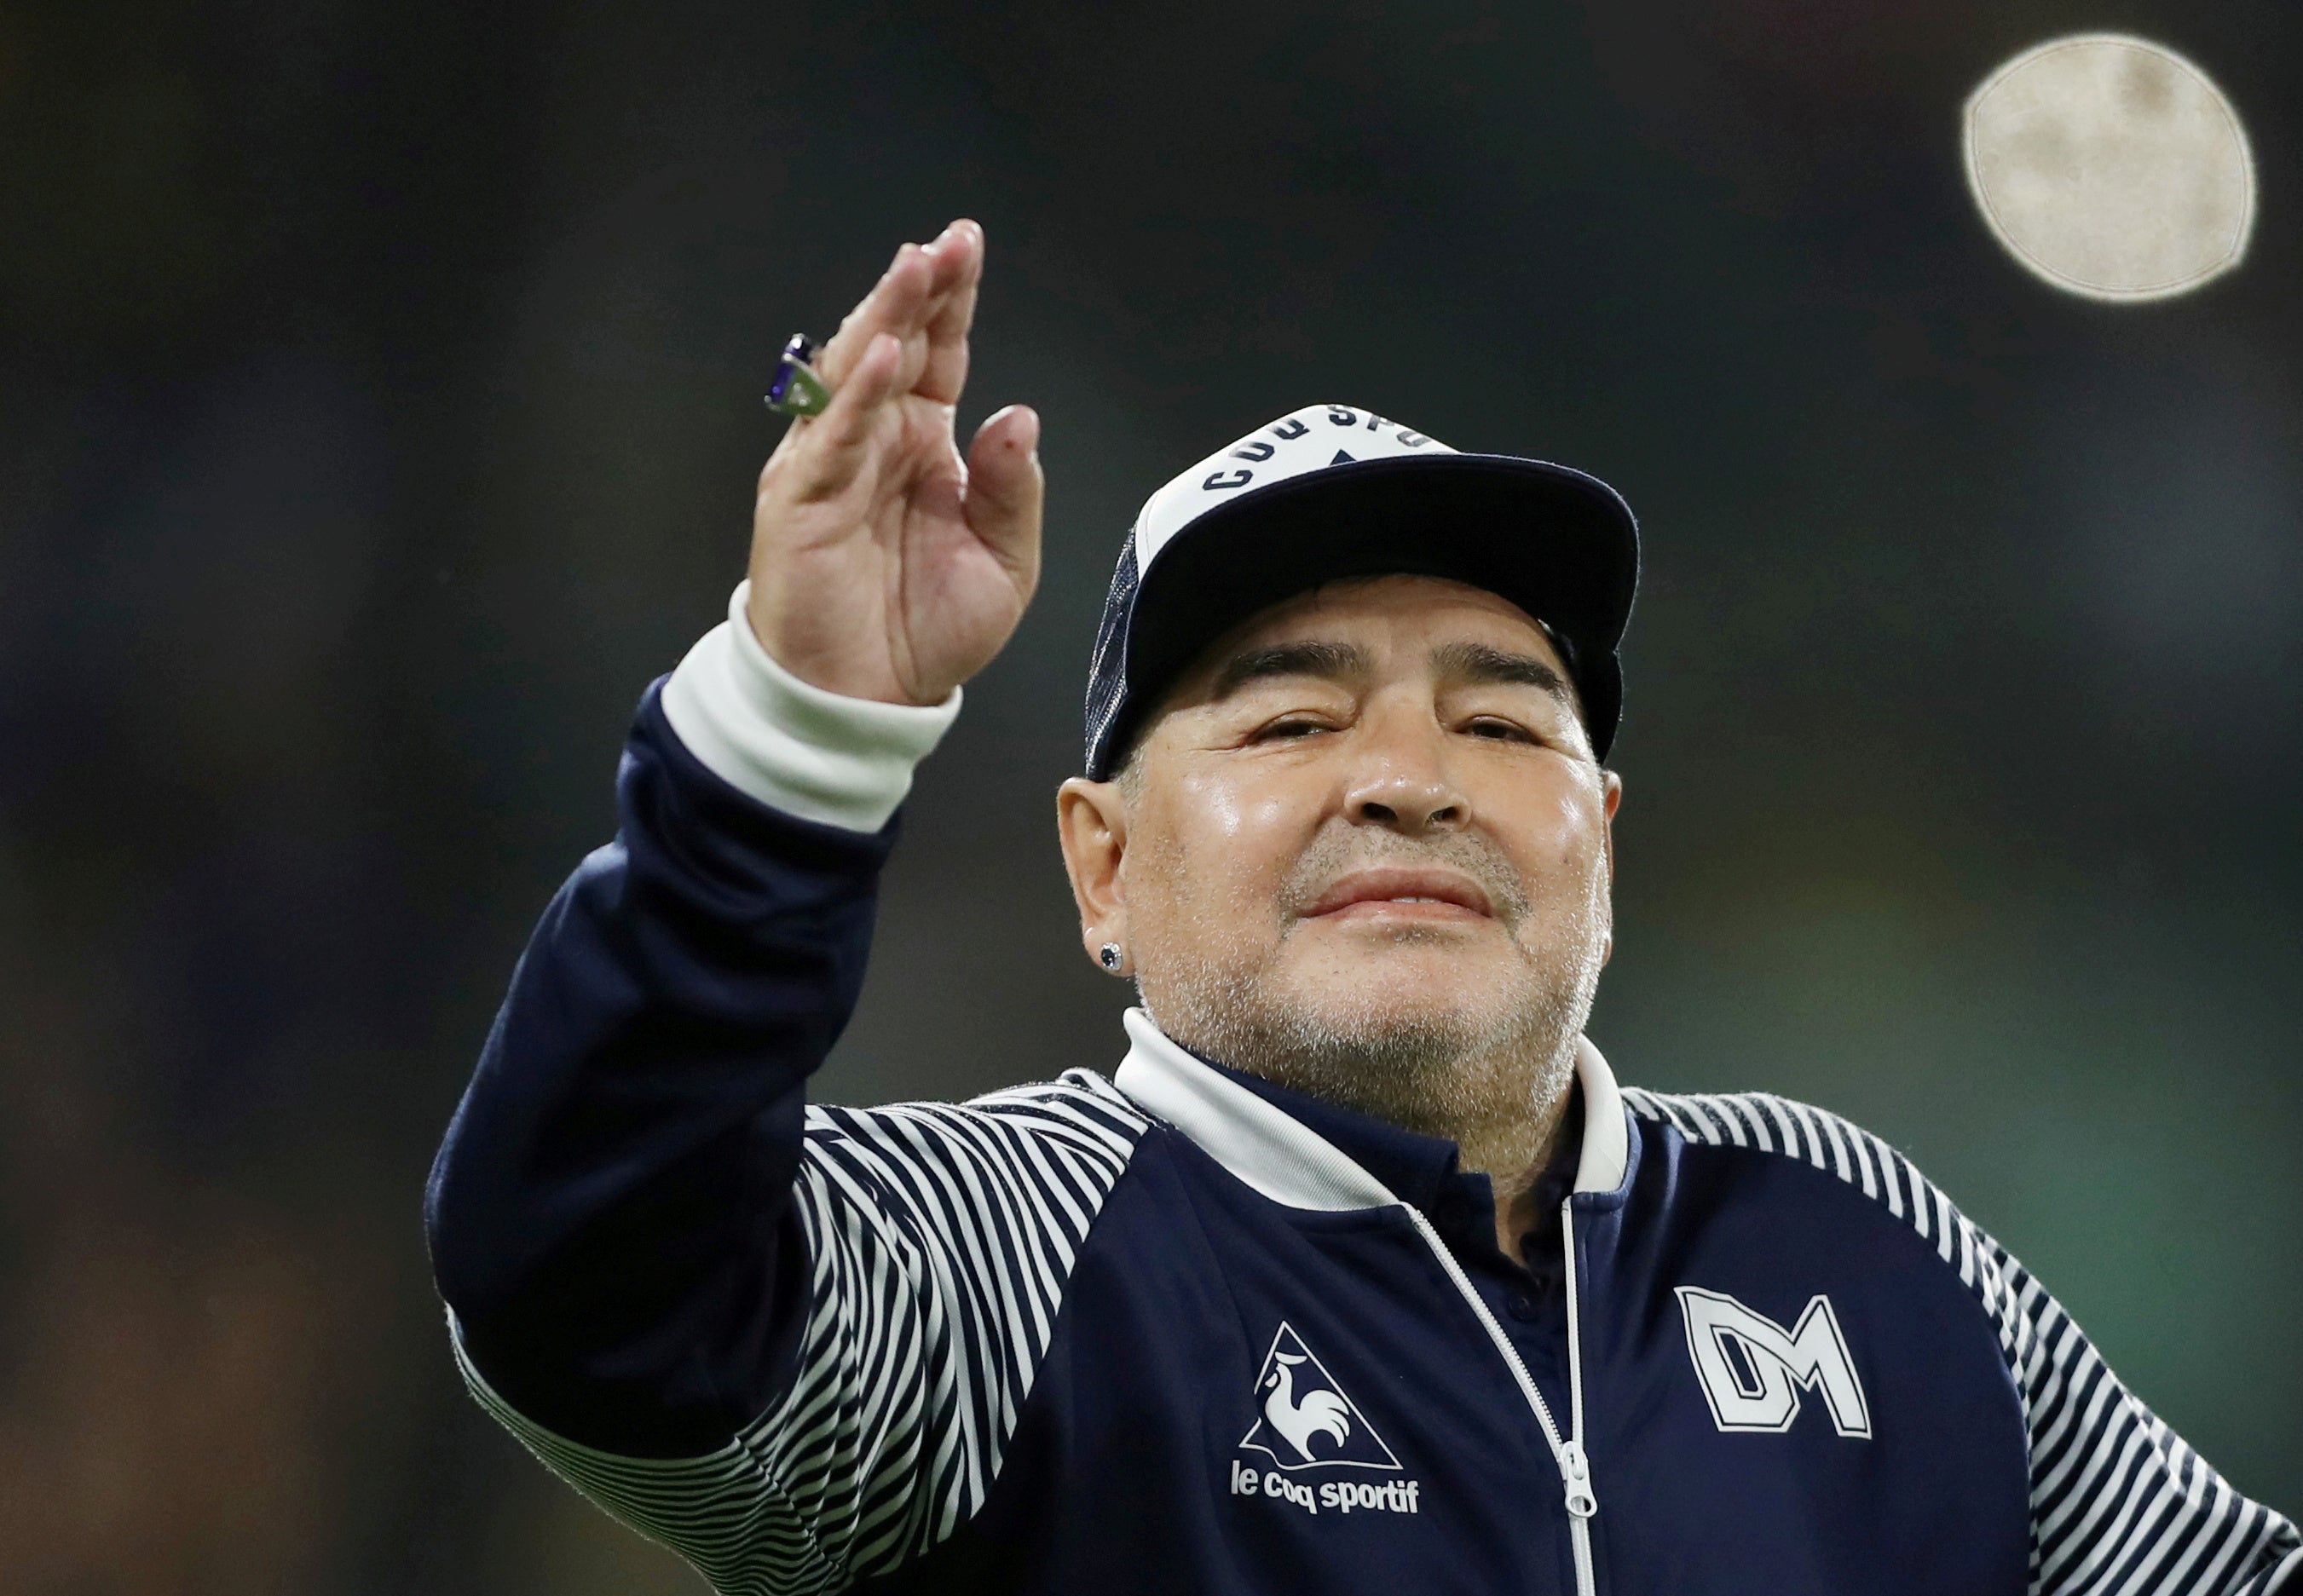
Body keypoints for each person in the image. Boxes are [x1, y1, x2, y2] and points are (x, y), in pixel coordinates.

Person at [424, 220, 2299, 1596]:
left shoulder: (1857, 1248)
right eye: (1294, 713)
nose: (1410, 772)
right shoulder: (1007, 1258)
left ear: (1603, 840)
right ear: (1100, 863)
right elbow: (593, 1284)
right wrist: (792, 741)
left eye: (1498, 713)